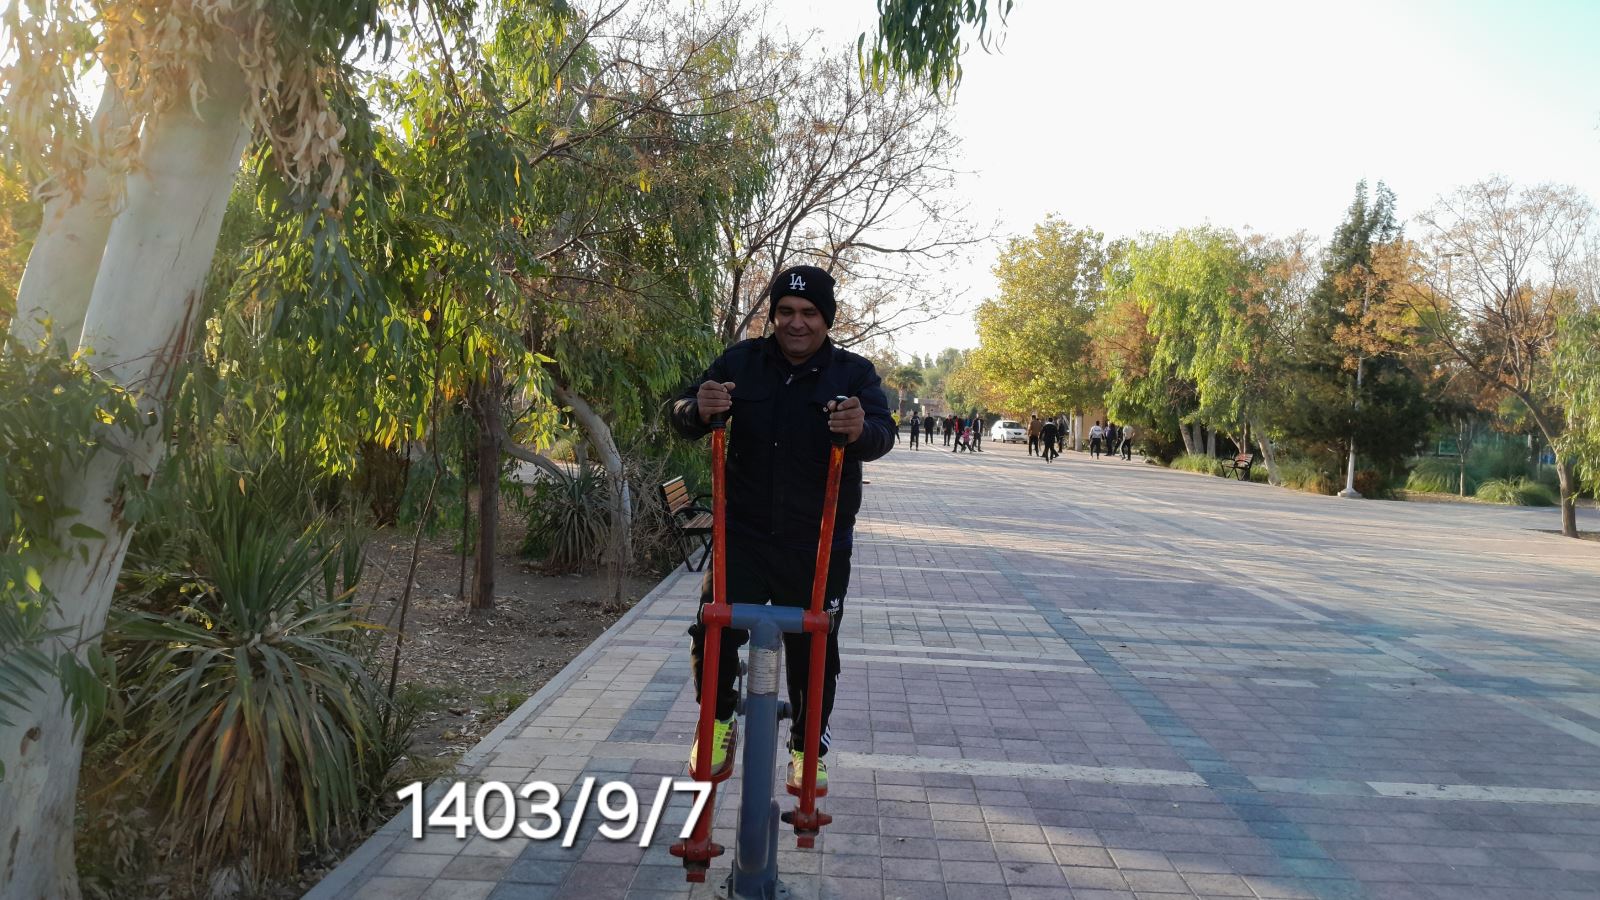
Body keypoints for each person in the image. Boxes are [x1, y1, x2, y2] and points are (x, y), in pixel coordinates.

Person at [669, 264, 893, 792]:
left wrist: (860, 430)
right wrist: (698, 410)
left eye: (809, 313)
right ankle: (717, 721)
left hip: (818, 543)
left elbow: (882, 434)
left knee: (816, 647)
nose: (796, 322)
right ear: (772, 316)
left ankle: (807, 745)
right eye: (786, 312)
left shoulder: (854, 374)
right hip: (742, 537)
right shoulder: (738, 363)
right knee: (713, 629)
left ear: (827, 318)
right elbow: (679, 410)